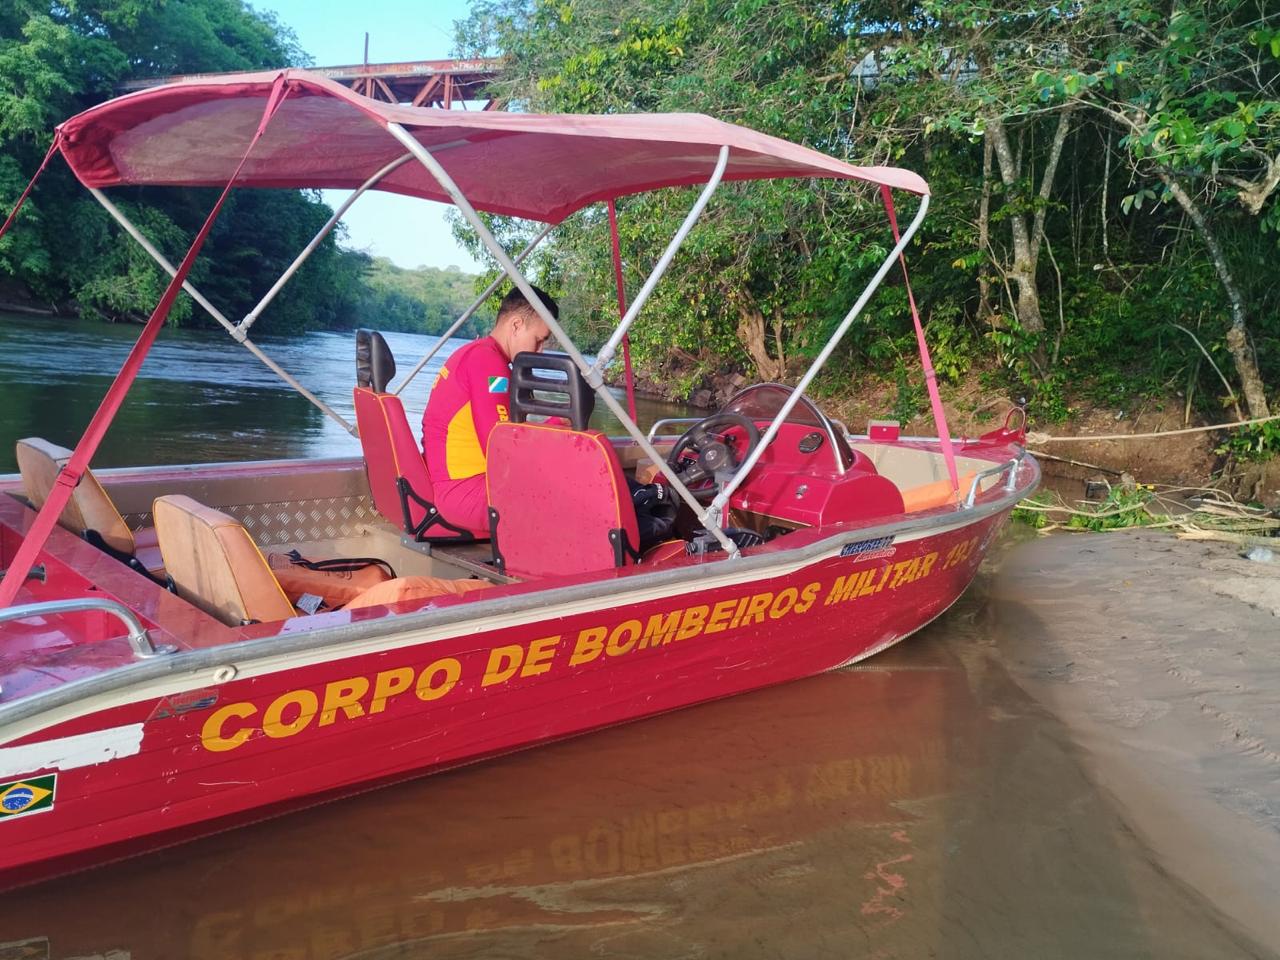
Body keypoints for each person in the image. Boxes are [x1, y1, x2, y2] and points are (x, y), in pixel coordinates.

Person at [421, 285, 557, 535]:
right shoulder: (487, 363)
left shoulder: (473, 353)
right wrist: (555, 428)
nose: (540, 351)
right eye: (538, 340)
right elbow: (499, 450)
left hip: (454, 485)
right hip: (465, 493)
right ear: (516, 325)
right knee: (574, 500)